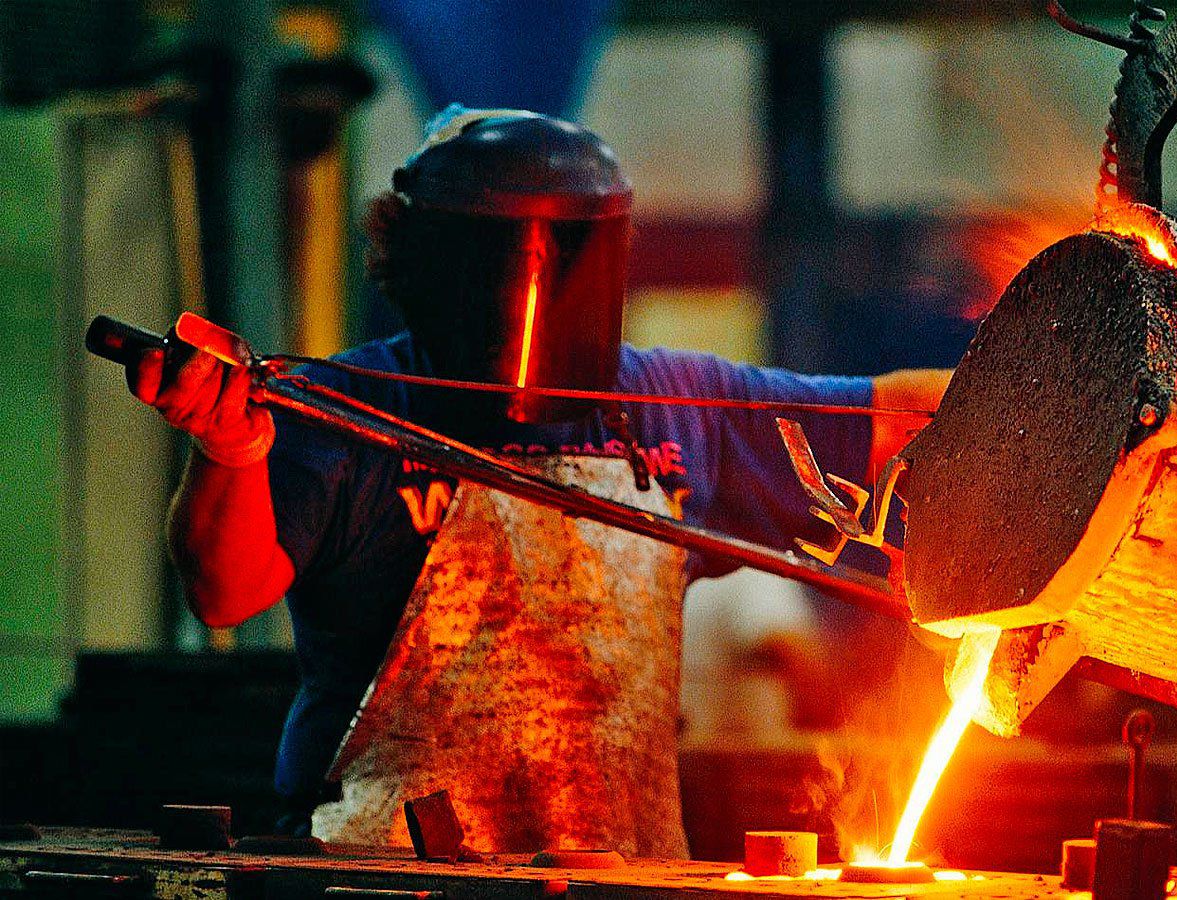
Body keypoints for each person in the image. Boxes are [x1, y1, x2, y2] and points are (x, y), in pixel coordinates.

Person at [124, 106, 950, 837]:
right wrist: (229, 446)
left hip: (609, 867)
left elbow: (888, 419)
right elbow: (225, 591)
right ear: (423, 261)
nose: (530, 297)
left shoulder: (677, 403)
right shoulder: (342, 408)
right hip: (380, 870)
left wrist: (1059, 380)